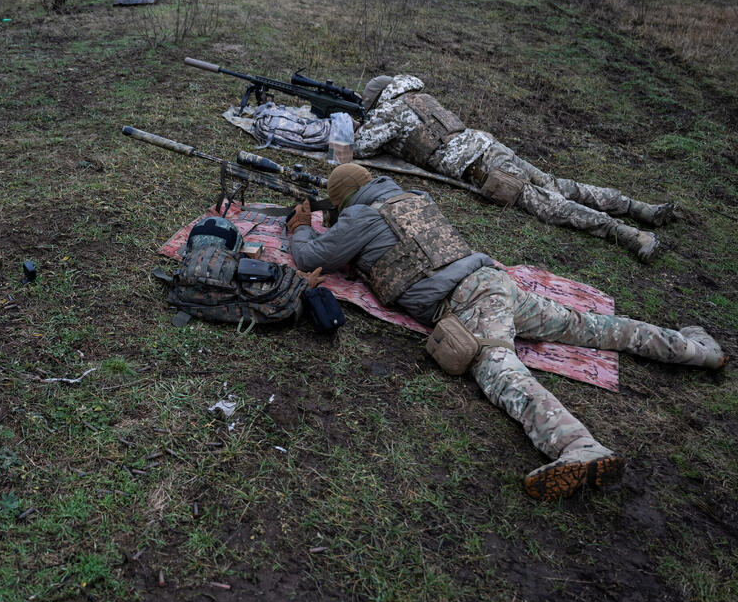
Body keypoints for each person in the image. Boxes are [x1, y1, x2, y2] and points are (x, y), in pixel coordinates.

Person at [287, 163, 727, 500]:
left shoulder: (358, 218)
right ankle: (699, 350)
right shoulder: (412, 197)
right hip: (494, 281)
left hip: (465, 302)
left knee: (500, 371)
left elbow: (311, 259)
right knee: (591, 326)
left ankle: (578, 447)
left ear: (342, 199)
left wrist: (302, 227)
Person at [354, 75, 675, 262]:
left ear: (378, 99)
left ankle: (631, 235)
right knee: (560, 185)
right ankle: (640, 208)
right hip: (490, 147)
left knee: (553, 207)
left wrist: (359, 123)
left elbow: (362, 147)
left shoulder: (388, 112)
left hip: (481, 169)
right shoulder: (419, 97)